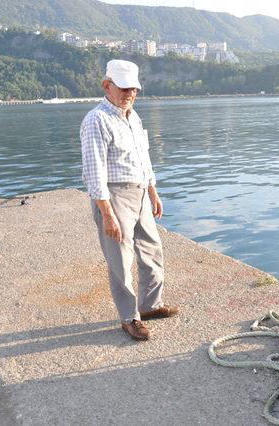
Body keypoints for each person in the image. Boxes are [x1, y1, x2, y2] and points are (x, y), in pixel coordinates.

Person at [80, 59, 178, 341]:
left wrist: (152, 190)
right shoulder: (96, 120)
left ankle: (149, 305)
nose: (129, 94)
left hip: (140, 192)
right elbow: (93, 170)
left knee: (151, 248)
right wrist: (107, 213)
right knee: (120, 259)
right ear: (106, 85)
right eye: (123, 88)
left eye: (133, 89)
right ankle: (129, 317)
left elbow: (143, 158)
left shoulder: (133, 117)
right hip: (114, 195)